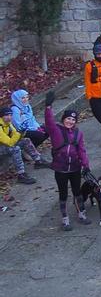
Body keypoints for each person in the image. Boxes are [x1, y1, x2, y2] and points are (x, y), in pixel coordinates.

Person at [43, 92, 91, 230]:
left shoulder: (78, 133)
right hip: (61, 169)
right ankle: (65, 219)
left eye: (73, 120)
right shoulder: (55, 130)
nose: (70, 121)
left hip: (75, 168)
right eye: (68, 118)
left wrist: (85, 165)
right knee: (63, 193)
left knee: (77, 192)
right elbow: (49, 121)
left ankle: (81, 214)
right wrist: (48, 107)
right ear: (63, 119)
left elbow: (82, 150)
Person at [7, 90, 49, 170]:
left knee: (47, 130)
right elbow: (17, 125)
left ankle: (32, 149)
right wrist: (33, 130)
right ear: (17, 99)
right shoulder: (15, 109)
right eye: (23, 98)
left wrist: (37, 127)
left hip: (31, 127)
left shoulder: (27, 106)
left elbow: (32, 119)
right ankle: (27, 152)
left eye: (27, 97)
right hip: (20, 131)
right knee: (39, 135)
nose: (26, 99)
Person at [0, 105, 37, 185]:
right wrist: (19, 132)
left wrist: (22, 132)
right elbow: (10, 143)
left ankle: (38, 160)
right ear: (1, 116)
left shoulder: (8, 123)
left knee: (26, 140)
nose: (9, 117)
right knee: (15, 149)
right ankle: (21, 174)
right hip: (2, 147)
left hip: (5, 145)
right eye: (6, 115)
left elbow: (17, 137)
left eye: (10, 115)